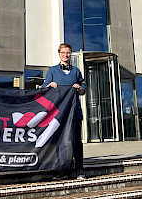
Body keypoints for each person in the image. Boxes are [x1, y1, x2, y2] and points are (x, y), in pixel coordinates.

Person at [42, 43, 86, 180]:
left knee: (76, 141)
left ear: (71, 54)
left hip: (74, 112)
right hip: (58, 113)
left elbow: (84, 90)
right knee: (60, 141)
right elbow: (44, 89)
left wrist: (79, 88)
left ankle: (79, 170)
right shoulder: (53, 71)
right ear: (59, 54)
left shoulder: (77, 71)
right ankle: (62, 170)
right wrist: (50, 85)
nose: (66, 55)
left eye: (68, 53)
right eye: (63, 53)